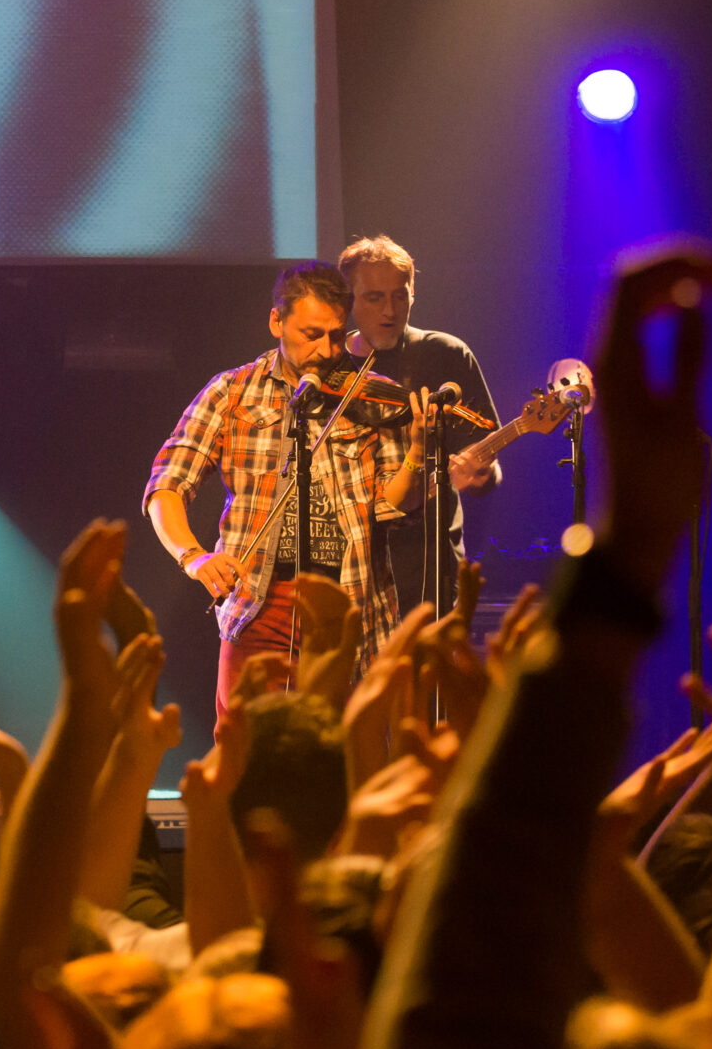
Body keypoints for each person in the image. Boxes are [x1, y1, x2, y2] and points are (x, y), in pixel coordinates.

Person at [144, 260, 432, 709]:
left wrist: (416, 451)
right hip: (260, 601)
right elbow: (167, 483)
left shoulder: (372, 395)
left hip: (350, 601)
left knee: (344, 745)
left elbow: (393, 508)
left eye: (337, 335)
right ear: (277, 321)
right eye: (311, 334)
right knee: (247, 743)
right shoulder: (231, 391)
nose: (327, 350)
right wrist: (193, 557)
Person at [336, 234, 502, 608]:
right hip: (349, 567)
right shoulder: (329, 364)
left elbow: (487, 467)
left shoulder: (445, 354)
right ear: (349, 300)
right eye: (374, 298)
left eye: (400, 296)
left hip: (428, 565)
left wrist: (481, 474)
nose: (390, 311)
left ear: (413, 294)